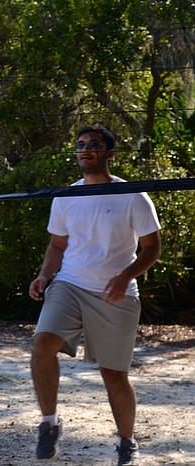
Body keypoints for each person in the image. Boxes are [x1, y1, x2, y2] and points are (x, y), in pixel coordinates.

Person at [29, 125, 161, 466]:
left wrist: (124, 276)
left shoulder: (133, 195)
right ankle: (49, 424)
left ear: (110, 154)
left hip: (115, 293)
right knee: (42, 344)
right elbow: (57, 245)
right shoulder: (66, 195)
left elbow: (151, 248)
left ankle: (126, 441)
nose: (86, 149)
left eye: (94, 145)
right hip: (70, 284)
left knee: (113, 374)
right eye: (81, 144)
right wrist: (44, 275)